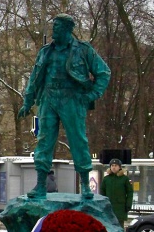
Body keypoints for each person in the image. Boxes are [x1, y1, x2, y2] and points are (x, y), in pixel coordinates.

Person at [17, 14, 111, 199]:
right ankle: (41, 185)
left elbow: (104, 73)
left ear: (68, 29)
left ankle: (85, 185)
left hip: (72, 99)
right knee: (44, 142)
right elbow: (35, 78)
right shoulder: (46, 51)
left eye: (58, 27)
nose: (54, 30)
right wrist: (28, 101)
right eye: (54, 26)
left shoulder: (83, 50)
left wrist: (92, 95)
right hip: (49, 98)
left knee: (78, 140)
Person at [100, 158, 133, 227]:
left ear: (119, 167)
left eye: (115, 165)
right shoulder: (106, 179)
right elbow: (102, 193)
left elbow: (130, 192)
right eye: (112, 165)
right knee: (108, 226)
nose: (114, 167)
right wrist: (102, 204)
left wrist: (128, 204)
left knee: (119, 227)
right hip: (109, 207)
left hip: (120, 208)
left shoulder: (124, 179)